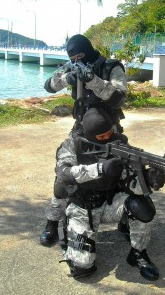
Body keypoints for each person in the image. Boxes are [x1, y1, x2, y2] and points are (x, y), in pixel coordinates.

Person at [53, 107, 165, 281]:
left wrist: (149, 179)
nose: (107, 139)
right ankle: (69, 235)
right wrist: (100, 169)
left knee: (142, 206)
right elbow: (64, 174)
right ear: (90, 135)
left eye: (109, 133)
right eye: (101, 137)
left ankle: (138, 253)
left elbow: (131, 184)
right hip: (81, 209)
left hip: (110, 203)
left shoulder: (119, 143)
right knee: (82, 269)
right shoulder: (72, 145)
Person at [40, 34, 127, 246]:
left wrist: (93, 81)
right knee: (64, 173)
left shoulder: (110, 67)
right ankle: (52, 221)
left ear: (88, 50)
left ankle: (126, 218)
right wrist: (66, 78)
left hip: (107, 129)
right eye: (73, 57)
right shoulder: (72, 66)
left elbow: (119, 97)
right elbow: (48, 86)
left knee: (122, 172)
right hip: (80, 129)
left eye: (80, 56)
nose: (77, 60)